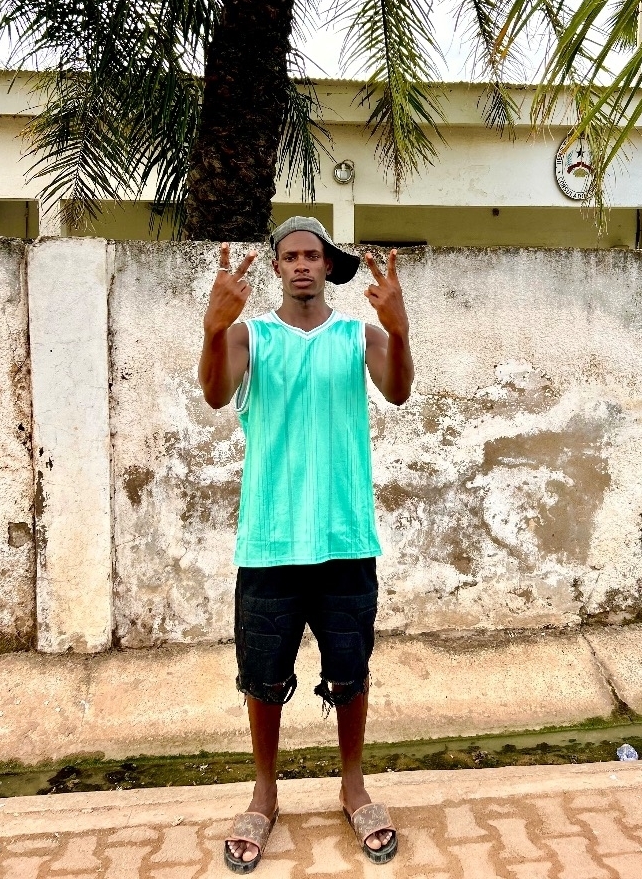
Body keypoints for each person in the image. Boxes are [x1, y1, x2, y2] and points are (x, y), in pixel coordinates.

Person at [198, 216, 414, 873]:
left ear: (326, 266)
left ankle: (354, 787)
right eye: (289, 255)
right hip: (270, 540)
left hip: (346, 535)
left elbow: (398, 390)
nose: (300, 265)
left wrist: (401, 329)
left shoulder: (358, 337)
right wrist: (212, 329)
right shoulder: (250, 337)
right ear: (276, 267)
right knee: (262, 678)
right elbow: (215, 394)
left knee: (350, 670)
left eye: (311, 255)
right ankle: (264, 796)